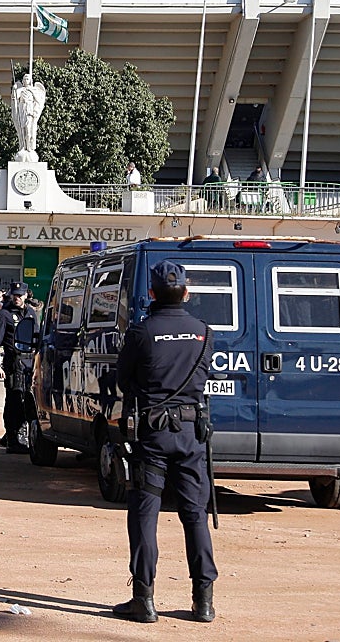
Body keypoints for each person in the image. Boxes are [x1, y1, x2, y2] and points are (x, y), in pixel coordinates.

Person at [113, 260, 217, 624]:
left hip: (152, 434)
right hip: (191, 434)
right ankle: (203, 601)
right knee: (195, 515)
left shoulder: (141, 333)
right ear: (186, 292)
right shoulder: (204, 331)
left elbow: (123, 380)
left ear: (152, 293)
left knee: (145, 514)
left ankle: (144, 599)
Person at [0, 282, 37, 453]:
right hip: (13, 362)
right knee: (14, 401)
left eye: (20, 295)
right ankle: (12, 439)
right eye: (14, 295)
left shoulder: (31, 313)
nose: (17, 298)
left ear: (25, 296)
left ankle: (13, 435)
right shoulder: (4, 314)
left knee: (27, 400)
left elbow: (35, 337)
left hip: (29, 363)